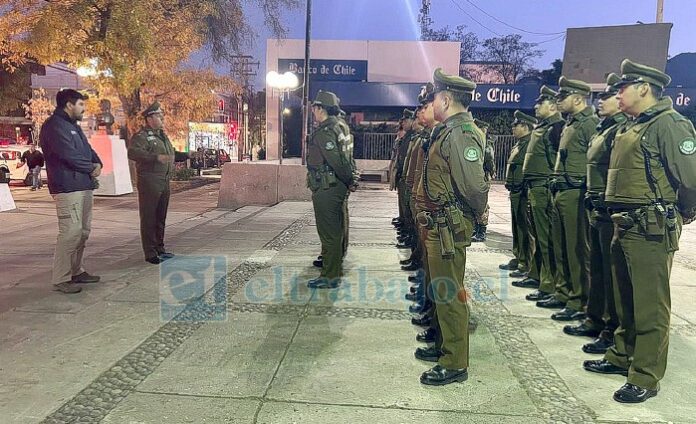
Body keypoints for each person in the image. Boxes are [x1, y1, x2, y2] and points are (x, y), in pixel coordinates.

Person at [583, 59, 696, 403]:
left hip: (650, 228)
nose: (618, 94)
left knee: (650, 305)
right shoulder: (632, 126)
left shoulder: (669, 124)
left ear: (644, 88)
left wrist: (685, 212)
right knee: (626, 300)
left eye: (623, 87)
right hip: (624, 223)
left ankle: (645, 375)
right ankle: (622, 355)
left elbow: (690, 178)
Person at [414, 68, 488, 386]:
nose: (433, 103)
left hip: (448, 228)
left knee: (450, 294)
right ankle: (446, 347)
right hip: (438, 225)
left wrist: (475, 217)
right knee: (441, 291)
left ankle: (455, 362)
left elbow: (474, 187)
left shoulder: (461, 133)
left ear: (445, 99)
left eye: (435, 98)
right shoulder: (448, 131)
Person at [565, 73, 626, 353]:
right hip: (597, 207)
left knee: (613, 276)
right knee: (600, 271)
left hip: (612, 209)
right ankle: (596, 319)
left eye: (607, 96)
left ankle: (612, 330)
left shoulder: (620, 129)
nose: (601, 101)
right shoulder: (605, 127)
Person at [40, 89, 102, 294]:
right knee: (70, 232)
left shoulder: (72, 126)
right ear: (69, 105)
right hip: (67, 187)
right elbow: (68, 155)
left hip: (83, 185)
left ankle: (76, 270)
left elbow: (87, 150)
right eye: (81, 104)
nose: (83, 108)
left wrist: (98, 162)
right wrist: (91, 167)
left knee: (83, 232)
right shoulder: (53, 127)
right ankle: (61, 277)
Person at [548, 76, 599, 321]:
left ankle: (578, 300)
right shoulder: (571, 123)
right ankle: (563, 291)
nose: (559, 101)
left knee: (577, 249)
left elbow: (595, 161)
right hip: (562, 190)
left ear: (578, 98)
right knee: (561, 246)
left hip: (577, 193)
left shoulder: (590, 123)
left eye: (563, 97)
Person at [127, 102, 190, 264]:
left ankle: (160, 248)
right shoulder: (141, 136)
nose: (162, 118)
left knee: (160, 216)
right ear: (149, 118)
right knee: (149, 217)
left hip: (163, 180)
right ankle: (150, 252)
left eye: (161, 115)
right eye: (158, 115)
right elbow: (133, 152)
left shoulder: (162, 136)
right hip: (150, 181)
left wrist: (186, 155)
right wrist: (155, 158)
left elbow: (170, 153)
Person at [517, 86, 565, 300]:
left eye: (540, 103)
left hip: (544, 187)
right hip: (534, 187)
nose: (536, 106)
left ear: (553, 106)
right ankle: (536, 274)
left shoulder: (557, 127)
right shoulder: (543, 127)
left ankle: (549, 283)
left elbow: (558, 160)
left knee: (546, 239)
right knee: (536, 235)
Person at [306, 90, 355, 289]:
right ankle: (332, 264)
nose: (313, 112)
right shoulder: (341, 126)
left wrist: (349, 179)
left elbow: (337, 161)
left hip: (328, 186)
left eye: (314, 108)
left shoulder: (327, 130)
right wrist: (350, 179)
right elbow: (347, 158)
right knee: (338, 228)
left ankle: (330, 275)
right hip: (336, 185)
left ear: (321, 109)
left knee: (329, 233)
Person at [502, 111, 538, 279]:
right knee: (517, 227)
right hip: (515, 190)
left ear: (525, 126)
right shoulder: (519, 144)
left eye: (515, 126)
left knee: (524, 228)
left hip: (523, 192)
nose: (513, 128)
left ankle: (525, 262)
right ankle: (518, 256)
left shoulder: (530, 143)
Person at [472, 119, 495, 242]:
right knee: (475, 203)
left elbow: (489, 161)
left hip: (483, 177)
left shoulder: (486, 144)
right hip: (475, 176)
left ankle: (482, 231)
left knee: (482, 204)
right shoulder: (476, 142)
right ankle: (476, 228)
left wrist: (491, 172)